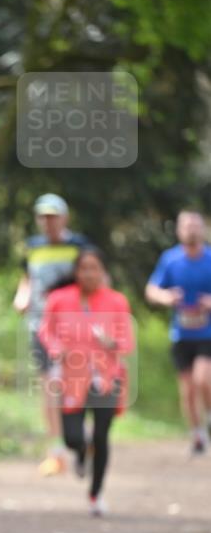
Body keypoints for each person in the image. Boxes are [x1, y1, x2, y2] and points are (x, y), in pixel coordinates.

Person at [38, 247, 134, 517]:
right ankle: (81, 452)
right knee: (71, 437)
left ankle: (95, 494)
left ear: (103, 272)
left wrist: (110, 341)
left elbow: (126, 341)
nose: (89, 273)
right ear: (76, 272)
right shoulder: (59, 299)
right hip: (72, 377)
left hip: (107, 377)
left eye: (95, 268)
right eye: (84, 268)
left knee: (102, 436)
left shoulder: (117, 302)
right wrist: (57, 347)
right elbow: (46, 330)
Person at [13, 194, 87, 476]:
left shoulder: (79, 246)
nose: (48, 222)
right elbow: (27, 279)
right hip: (40, 328)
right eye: (43, 217)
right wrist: (22, 297)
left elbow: (93, 279)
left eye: (53, 216)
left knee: (73, 387)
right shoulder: (32, 247)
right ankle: (55, 452)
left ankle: (81, 438)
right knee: (49, 387)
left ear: (64, 218)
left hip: (74, 330)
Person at [145, 211, 211, 455]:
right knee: (187, 389)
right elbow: (152, 289)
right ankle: (197, 435)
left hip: (208, 333)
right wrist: (167, 297)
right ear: (179, 230)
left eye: (196, 225)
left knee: (203, 379)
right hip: (181, 334)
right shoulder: (170, 259)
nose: (191, 230)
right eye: (187, 225)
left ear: (203, 229)